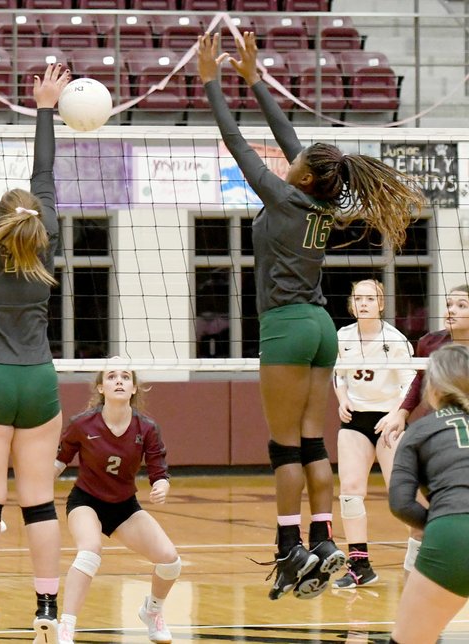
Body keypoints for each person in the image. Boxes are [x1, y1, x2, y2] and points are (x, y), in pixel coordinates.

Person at [197, 32, 425, 600]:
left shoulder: (282, 195)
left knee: (283, 449)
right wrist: (253, 77)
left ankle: (287, 547)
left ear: (299, 173)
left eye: (295, 160)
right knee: (312, 443)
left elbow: (235, 140)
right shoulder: (318, 199)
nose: (290, 155)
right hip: (323, 327)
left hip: (288, 324)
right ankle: (323, 541)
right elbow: (289, 140)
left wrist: (210, 81)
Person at [0, 63, 70, 644]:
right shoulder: (46, 234)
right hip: (39, 381)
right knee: (39, 504)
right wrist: (46, 106)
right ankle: (47, 608)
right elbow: (44, 173)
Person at [54, 368, 180, 644]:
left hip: (124, 506)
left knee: (170, 561)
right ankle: (66, 626)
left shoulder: (146, 427)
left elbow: (160, 471)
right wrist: (36, 483)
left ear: (134, 388)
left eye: (125, 377)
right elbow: (60, 461)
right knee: (90, 552)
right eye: (111, 377)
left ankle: (152, 611)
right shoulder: (82, 424)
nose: (119, 381)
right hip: (86, 501)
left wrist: (162, 486)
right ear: (100, 388)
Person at [378, 284, 469, 575]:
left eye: (461, 306)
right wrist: (401, 412)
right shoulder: (430, 343)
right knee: (420, 520)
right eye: (450, 304)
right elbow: (419, 381)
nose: (451, 310)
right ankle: (413, 578)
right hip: (438, 437)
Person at [331, 279, 415, 589]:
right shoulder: (342, 337)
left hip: (388, 420)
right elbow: (337, 376)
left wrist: (397, 415)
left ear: (381, 304)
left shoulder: (394, 340)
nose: (364, 303)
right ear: (352, 304)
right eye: (359, 298)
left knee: (400, 496)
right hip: (355, 420)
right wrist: (342, 400)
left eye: (371, 298)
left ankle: (422, 556)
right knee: (350, 491)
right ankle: (359, 564)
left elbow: (410, 383)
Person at [388, 344, 469, 644]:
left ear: (432, 387)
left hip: (454, 534)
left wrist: (439, 525)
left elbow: (400, 503)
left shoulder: (420, 431)